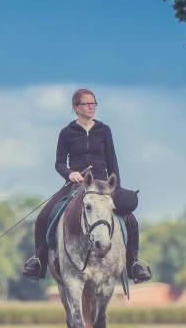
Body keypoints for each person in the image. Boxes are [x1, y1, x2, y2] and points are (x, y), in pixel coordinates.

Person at [21, 88, 152, 283]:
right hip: (76, 184)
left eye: (94, 103)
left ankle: (134, 264)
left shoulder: (104, 130)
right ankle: (38, 262)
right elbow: (58, 163)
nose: (91, 106)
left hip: (103, 185)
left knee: (131, 220)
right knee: (43, 217)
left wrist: (115, 189)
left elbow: (112, 161)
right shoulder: (66, 132)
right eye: (87, 103)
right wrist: (69, 173)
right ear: (76, 107)